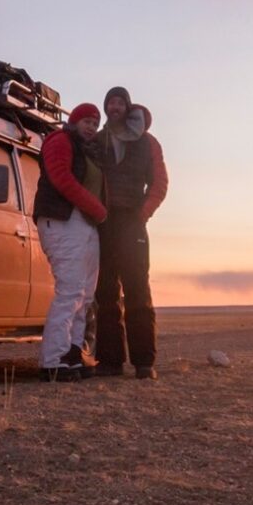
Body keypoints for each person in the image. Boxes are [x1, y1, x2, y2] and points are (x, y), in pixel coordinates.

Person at [94, 87, 168, 379]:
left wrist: (142, 214)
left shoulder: (148, 142)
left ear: (127, 106)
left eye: (119, 102)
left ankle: (144, 362)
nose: (114, 107)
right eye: (110, 103)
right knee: (106, 292)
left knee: (138, 290)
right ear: (106, 108)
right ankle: (110, 362)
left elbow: (159, 183)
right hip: (103, 222)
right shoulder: (98, 140)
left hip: (132, 223)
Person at [33, 103, 107, 382]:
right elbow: (61, 177)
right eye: (87, 121)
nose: (91, 127)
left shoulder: (88, 151)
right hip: (62, 220)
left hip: (84, 223)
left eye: (95, 123)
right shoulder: (60, 141)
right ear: (74, 121)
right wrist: (97, 208)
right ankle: (53, 358)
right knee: (71, 290)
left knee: (85, 294)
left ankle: (72, 354)